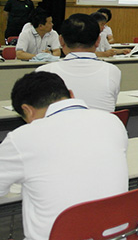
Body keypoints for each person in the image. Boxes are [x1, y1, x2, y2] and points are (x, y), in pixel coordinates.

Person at [0, 71, 128, 240]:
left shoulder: (21, 138)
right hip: (116, 235)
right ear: (71, 95)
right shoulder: (112, 121)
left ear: (27, 110)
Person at [35, 14, 121, 112]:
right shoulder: (112, 71)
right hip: (100, 126)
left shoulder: (43, 72)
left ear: (61, 40)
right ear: (98, 41)